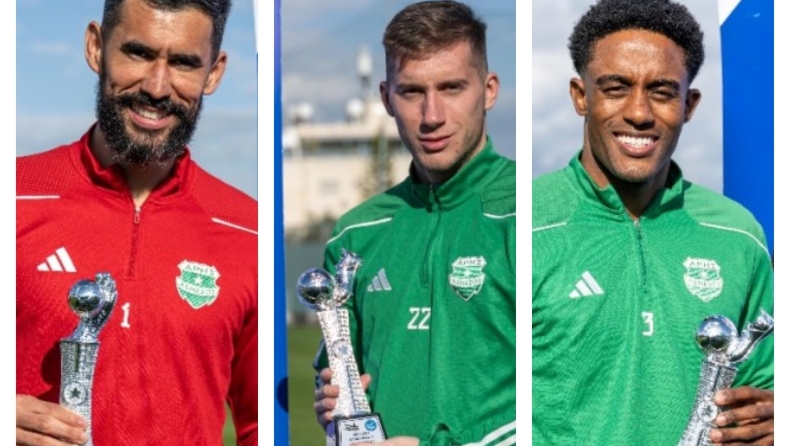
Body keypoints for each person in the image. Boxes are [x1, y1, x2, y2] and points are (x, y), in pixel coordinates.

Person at [15, 0, 258, 445]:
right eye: (139, 53)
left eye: (184, 62)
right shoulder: (14, 196)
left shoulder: (249, 230)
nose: (157, 86)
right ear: (96, 47)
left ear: (214, 73)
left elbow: (261, 426)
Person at [532, 0, 774, 445]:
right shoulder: (523, 226)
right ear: (581, 96)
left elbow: (766, 391)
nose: (639, 113)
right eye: (616, 88)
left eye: (662, 92)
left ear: (689, 104)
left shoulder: (739, 234)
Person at [311, 1, 515, 446]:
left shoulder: (533, 216)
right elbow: (336, 379)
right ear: (386, 98)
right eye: (411, 92)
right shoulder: (356, 234)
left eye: (452, 87)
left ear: (489, 90)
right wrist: (332, 404)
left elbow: (566, 403)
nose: (432, 115)